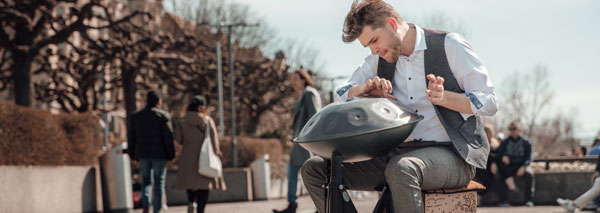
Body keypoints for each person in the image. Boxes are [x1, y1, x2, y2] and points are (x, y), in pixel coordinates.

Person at [300, 0, 498, 212]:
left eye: (375, 40)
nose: (374, 50)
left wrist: (446, 97)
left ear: (392, 24)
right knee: (315, 169)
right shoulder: (378, 59)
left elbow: (490, 101)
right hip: (397, 154)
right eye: (368, 46)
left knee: (402, 169)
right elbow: (341, 94)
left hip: (453, 155)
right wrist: (364, 90)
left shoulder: (450, 45)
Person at [273, 68, 322, 213]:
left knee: (305, 172)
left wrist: (307, 139)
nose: (293, 83)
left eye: (295, 79)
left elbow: (314, 117)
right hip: (302, 141)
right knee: (305, 171)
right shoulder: (306, 94)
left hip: (305, 141)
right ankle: (313, 204)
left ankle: (296, 204)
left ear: (303, 79)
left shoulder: (309, 93)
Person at [172, 95, 226, 213]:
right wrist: (217, 153)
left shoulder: (182, 121)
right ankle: (200, 209)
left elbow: (178, 139)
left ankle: (191, 201)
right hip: (205, 157)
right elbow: (214, 140)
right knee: (204, 185)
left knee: (190, 183)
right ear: (203, 107)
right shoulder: (207, 120)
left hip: (188, 157)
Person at [128, 90, 176, 213]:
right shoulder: (163, 116)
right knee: (159, 182)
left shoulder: (136, 117)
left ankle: (145, 204)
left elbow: (132, 137)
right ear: (158, 101)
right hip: (159, 155)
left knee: (146, 181)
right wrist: (171, 154)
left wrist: (132, 154)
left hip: (143, 154)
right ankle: (157, 209)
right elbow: (168, 137)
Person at [495, 121, 534, 207]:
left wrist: (524, 167)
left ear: (519, 129)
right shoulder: (505, 142)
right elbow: (498, 155)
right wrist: (503, 157)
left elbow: (529, 157)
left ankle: (528, 200)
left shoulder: (526, 142)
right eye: (510, 129)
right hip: (508, 168)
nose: (512, 131)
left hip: (521, 166)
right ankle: (504, 200)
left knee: (529, 174)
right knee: (498, 176)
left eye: (514, 129)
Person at [473, 124, 501, 203]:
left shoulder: (495, 143)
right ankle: (478, 197)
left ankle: (479, 197)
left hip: (491, 166)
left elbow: (496, 155)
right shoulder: (479, 142)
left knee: (490, 176)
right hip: (481, 165)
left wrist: (494, 163)